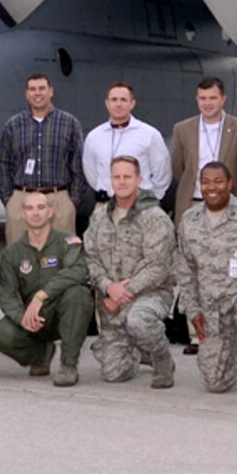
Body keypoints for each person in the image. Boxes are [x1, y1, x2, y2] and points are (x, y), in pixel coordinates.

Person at [173, 161, 237, 404]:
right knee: (215, 383)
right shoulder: (190, 220)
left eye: (218, 181)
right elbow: (186, 271)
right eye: (206, 181)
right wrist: (193, 310)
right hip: (213, 311)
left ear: (229, 184)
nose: (212, 187)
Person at [82, 156, 176, 389]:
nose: (122, 182)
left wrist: (125, 291)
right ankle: (140, 350)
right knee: (114, 372)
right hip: (110, 301)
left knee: (140, 321)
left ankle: (161, 358)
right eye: (117, 177)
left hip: (148, 296)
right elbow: (89, 258)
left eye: (127, 176)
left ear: (139, 179)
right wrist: (107, 287)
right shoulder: (99, 217)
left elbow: (158, 266)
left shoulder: (155, 217)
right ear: (110, 180)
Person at [0, 191, 92, 386]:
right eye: (29, 208)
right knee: (0, 333)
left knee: (79, 294)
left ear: (51, 212)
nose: (35, 213)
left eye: (41, 207)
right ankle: (41, 354)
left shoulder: (67, 242)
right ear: (22, 214)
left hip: (62, 314)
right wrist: (22, 317)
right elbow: (6, 294)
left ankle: (68, 364)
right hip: (32, 320)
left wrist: (42, 295)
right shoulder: (13, 252)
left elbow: (79, 272)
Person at [0, 73, 91, 241]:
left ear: (51, 91)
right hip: (22, 200)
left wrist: (72, 203)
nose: (37, 93)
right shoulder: (13, 125)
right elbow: (5, 165)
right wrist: (9, 202)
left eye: (42, 88)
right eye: (32, 89)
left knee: (62, 258)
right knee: (20, 259)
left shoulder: (69, 123)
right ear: (27, 93)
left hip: (58, 199)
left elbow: (78, 166)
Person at [167, 77, 237, 222]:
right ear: (197, 99)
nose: (207, 103)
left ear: (223, 99)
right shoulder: (182, 129)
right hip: (193, 203)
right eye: (202, 98)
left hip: (231, 204)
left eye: (212, 98)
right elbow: (178, 167)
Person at [81, 83, 171, 197]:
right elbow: (91, 172)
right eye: (114, 100)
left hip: (140, 204)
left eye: (123, 100)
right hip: (106, 204)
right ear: (107, 103)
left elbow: (162, 171)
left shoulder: (150, 134)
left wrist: (152, 198)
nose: (118, 104)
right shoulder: (94, 136)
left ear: (132, 104)